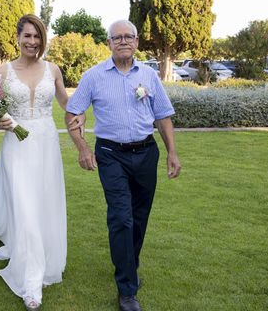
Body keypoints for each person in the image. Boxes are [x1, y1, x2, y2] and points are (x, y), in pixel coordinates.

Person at [65, 19, 182, 311]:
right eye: (117, 37)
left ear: (137, 41)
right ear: (109, 44)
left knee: (139, 217)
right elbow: (72, 113)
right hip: (110, 154)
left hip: (146, 153)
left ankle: (128, 269)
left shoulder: (150, 76)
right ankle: (127, 290)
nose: (123, 41)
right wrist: (82, 147)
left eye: (128, 36)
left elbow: (163, 115)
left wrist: (172, 153)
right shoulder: (93, 76)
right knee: (121, 218)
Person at [0, 14, 82, 310]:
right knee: (25, 207)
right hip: (16, 142)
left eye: (37, 36)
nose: (32, 42)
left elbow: (65, 102)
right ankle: (30, 282)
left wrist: (80, 110)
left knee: (43, 202)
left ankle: (43, 256)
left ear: (43, 40)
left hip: (46, 142)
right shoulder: (3, 71)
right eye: (27, 36)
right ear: (18, 38)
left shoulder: (53, 69)